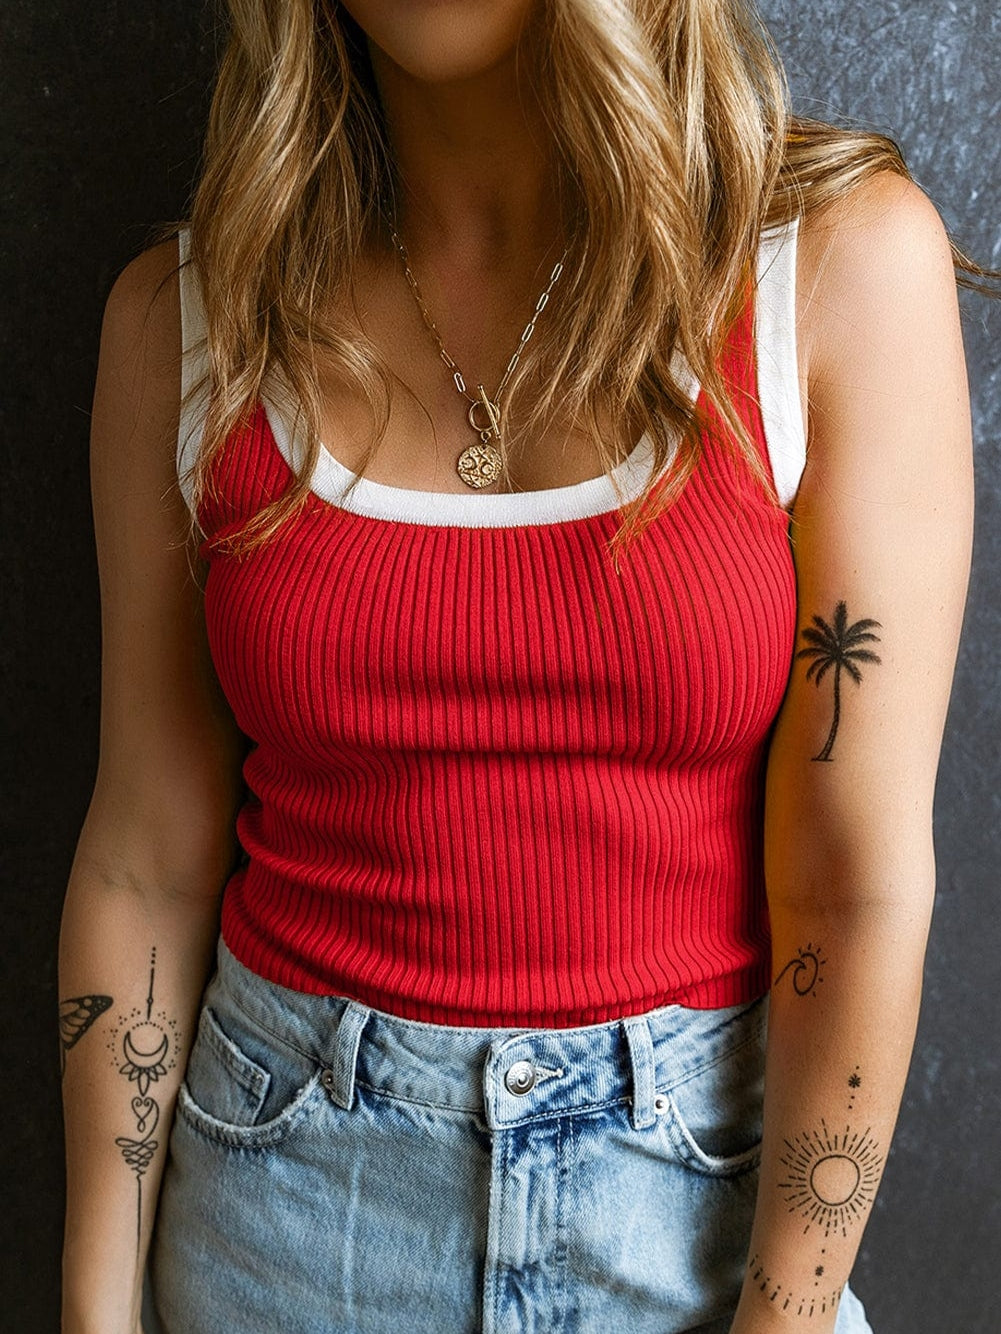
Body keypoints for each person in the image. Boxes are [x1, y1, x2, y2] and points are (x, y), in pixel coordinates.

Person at [58, 2, 990, 1331]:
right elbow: (141, 858)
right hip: (281, 1214)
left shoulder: (831, 271)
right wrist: (93, 1311)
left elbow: (853, 885)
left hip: (698, 1217)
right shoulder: (187, 325)